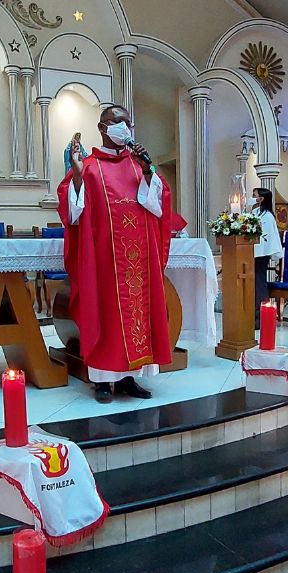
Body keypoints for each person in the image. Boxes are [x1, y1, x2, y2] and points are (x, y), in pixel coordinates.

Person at [58, 104, 172, 402]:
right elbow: (73, 211)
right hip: (105, 260)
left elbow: (158, 204)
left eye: (128, 123)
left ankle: (128, 378)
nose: (125, 128)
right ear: (102, 127)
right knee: (106, 315)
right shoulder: (90, 166)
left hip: (139, 260)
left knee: (138, 316)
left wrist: (149, 170)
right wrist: (78, 175)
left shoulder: (137, 164)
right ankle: (104, 382)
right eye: (118, 122)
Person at [251, 188, 283, 329]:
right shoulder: (255, 212)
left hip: (261, 254)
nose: (252, 197)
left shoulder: (267, 216)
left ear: (261, 199)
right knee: (253, 284)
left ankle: (260, 319)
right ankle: (251, 316)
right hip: (251, 253)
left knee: (259, 283)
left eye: (254, 196)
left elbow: (267, 237)